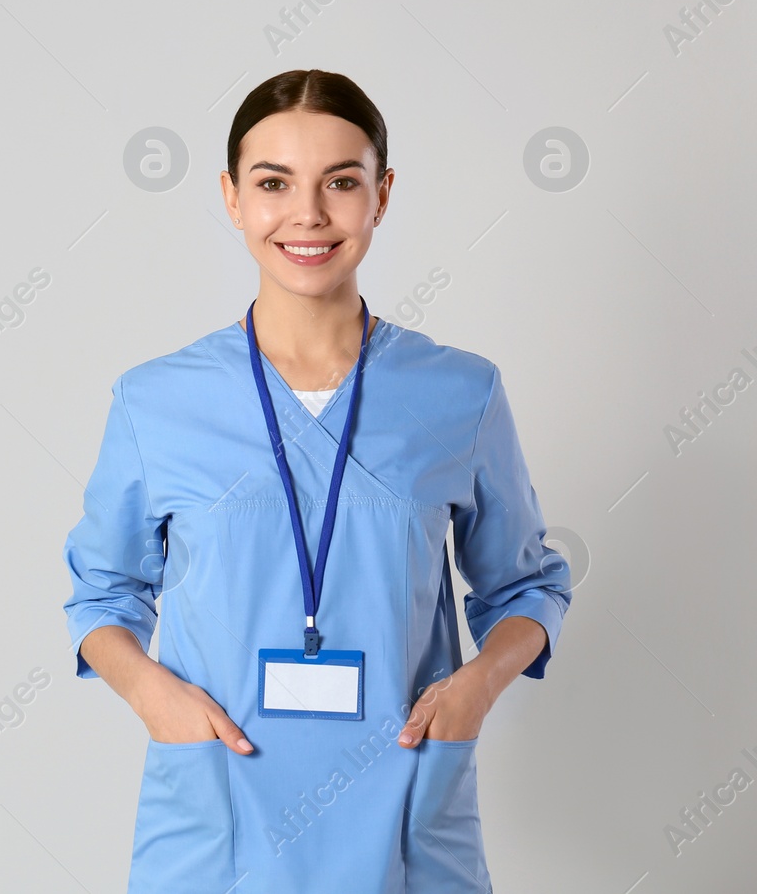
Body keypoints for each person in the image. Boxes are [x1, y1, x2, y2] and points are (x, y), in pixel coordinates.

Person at [62, 69, 573, 892]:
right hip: (219, 811)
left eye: (341, 181)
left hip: (404, 816)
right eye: (273, 183)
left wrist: (475, 688)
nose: (308, 213)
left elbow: (529, 586)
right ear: (231, 197)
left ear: (382, 195)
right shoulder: (157, 400)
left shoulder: (458, 393)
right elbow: (101, 595)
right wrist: (157, 697)